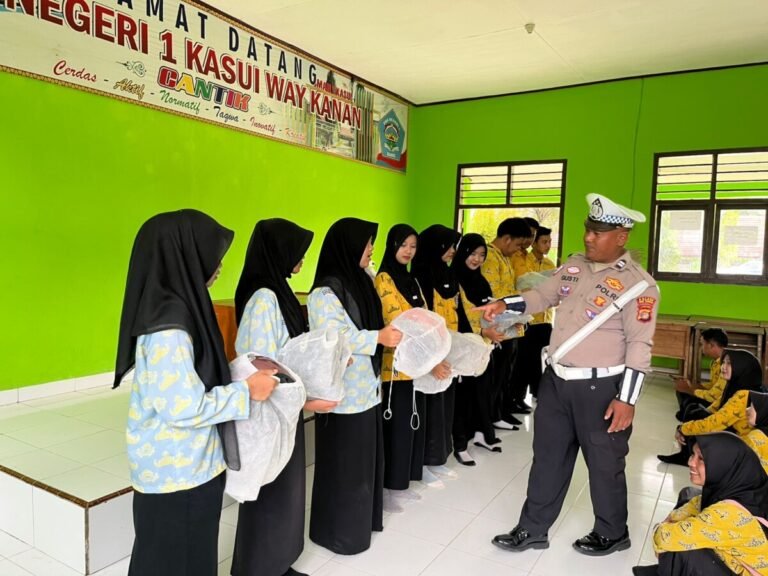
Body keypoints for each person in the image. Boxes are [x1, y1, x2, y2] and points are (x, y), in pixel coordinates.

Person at [487, 194, 660, 556]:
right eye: (588, 229)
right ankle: (532, 528)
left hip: (601, 389)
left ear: (622, 236)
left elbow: (640, 347)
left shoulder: (639, 286)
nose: (589, 238)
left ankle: (613, 532)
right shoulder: (573, 267)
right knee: (547, 456)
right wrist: (506, 304)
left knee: (604, 463)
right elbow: (541, 297)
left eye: (599, 232)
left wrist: (627, 399)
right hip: (556, 382)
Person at [114, 210, 279, 576]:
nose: (218, 264)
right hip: (177, 474)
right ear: (184, 255)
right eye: (210, 253)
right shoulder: (169, 327)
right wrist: (246, 392)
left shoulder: (183, 308)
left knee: (176, 558)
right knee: (178, 561)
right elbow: (182, 407)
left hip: (189, 467)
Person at [230, 219, 336, 576]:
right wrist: (305, 400)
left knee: (286, 491)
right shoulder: (264, 298)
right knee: (271, 492)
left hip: (286, 406)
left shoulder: (278, 290)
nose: (302, 260)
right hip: (272, 411)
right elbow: (260, 363)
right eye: (298, 253)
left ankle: (278, 563)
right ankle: (258, 568)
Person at [307, 217, 402, 555]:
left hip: (367, 391)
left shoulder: (360, 281)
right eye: (367, 243)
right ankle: (338, 533)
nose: (371, 248)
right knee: (344, 468)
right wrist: (377, 337)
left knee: (364, 466)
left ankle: (361, 523)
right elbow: (332, 337)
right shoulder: (325, 292)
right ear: (348, 246)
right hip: (343, 397)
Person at [375, 224, 452, 509]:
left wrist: (433, 356)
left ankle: (405, 479)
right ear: (392, 245)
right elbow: (399, 323)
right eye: (403, 245)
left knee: (411, 424)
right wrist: (429, 359)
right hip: (395, 366)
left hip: (417, 365)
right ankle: (391, 486)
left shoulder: (412, 281)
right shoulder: (384, 279)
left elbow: (428, 321)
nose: (408, 251)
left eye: (413, 246)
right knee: (396, 426)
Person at [633, 432, 768, 576]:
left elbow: (663, 537)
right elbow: (690, 507)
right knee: (688, 494)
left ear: (722, 465)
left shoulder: (729, 514)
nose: (691, 462)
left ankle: (673, 566)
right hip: (735, 559)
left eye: (701, 459)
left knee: (680, 552)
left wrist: (661, 529)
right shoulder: (745, 487)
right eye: (693, 455)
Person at [411, 225, 465, 466]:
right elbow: (421, 318)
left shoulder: (448, 273)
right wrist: (432, 355)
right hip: (430, 351)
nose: (453, 251)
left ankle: (441, 455)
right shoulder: (421, 274)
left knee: (446, 403)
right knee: (431, 406)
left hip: (449, 345)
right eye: (449, 246)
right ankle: (429, 459)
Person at [659, 349, 765, 466]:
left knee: (698, 416)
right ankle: (687, 454)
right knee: (694, 410)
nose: (723, 367)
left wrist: (683, 428)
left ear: (742, 368)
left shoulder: (744, 395)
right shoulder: (738, 387)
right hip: (734, 435)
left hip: (741, 446)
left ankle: (688, 455)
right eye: (723, 363)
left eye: (729, 363)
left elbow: (713, 424)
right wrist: (692, 420)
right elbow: (714, 408)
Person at [453, 233, 506, 458]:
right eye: (473, 253)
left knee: (483, 390)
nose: (477, 259)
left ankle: (481, 433)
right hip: (464, 345)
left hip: (484, 344)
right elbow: (458, 316)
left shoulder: (480, 279)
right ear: (463, 252)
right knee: (465, 395)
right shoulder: (454, 278)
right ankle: (460, 444)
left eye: (482, 255)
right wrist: (483, 331)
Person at [481, 217, 531, 427]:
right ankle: (490, 417)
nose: (519, 250)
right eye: (519, 245)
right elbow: (494, 297)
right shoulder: (490, 257)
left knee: (504, 376)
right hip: (495, 328)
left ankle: (497, 413)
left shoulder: (503, 258)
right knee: (494, 377)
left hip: (508, 326)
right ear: (507, 239)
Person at [513, 226, 557, 400]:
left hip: (545, 318)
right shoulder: (524, 261)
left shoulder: (550, 264)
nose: (547, 245)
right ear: (534, 242)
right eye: (544, 241)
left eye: (549, 242)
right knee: (525, 361)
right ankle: (519, 396)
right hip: (529, 319)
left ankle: (539, 393)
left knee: (542, 360)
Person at [673, 328, 729, 420]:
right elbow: (714, 386)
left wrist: (689, 390)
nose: (701, 348)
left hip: (721, 403)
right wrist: (694, 386)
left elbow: (713, 396)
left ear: (711, 345)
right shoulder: (715, 362)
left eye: (702, 344)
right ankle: (687, 412)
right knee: (682, 391)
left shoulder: (726, 365)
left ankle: (690, 414)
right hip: (714, 397)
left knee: (689, 399)